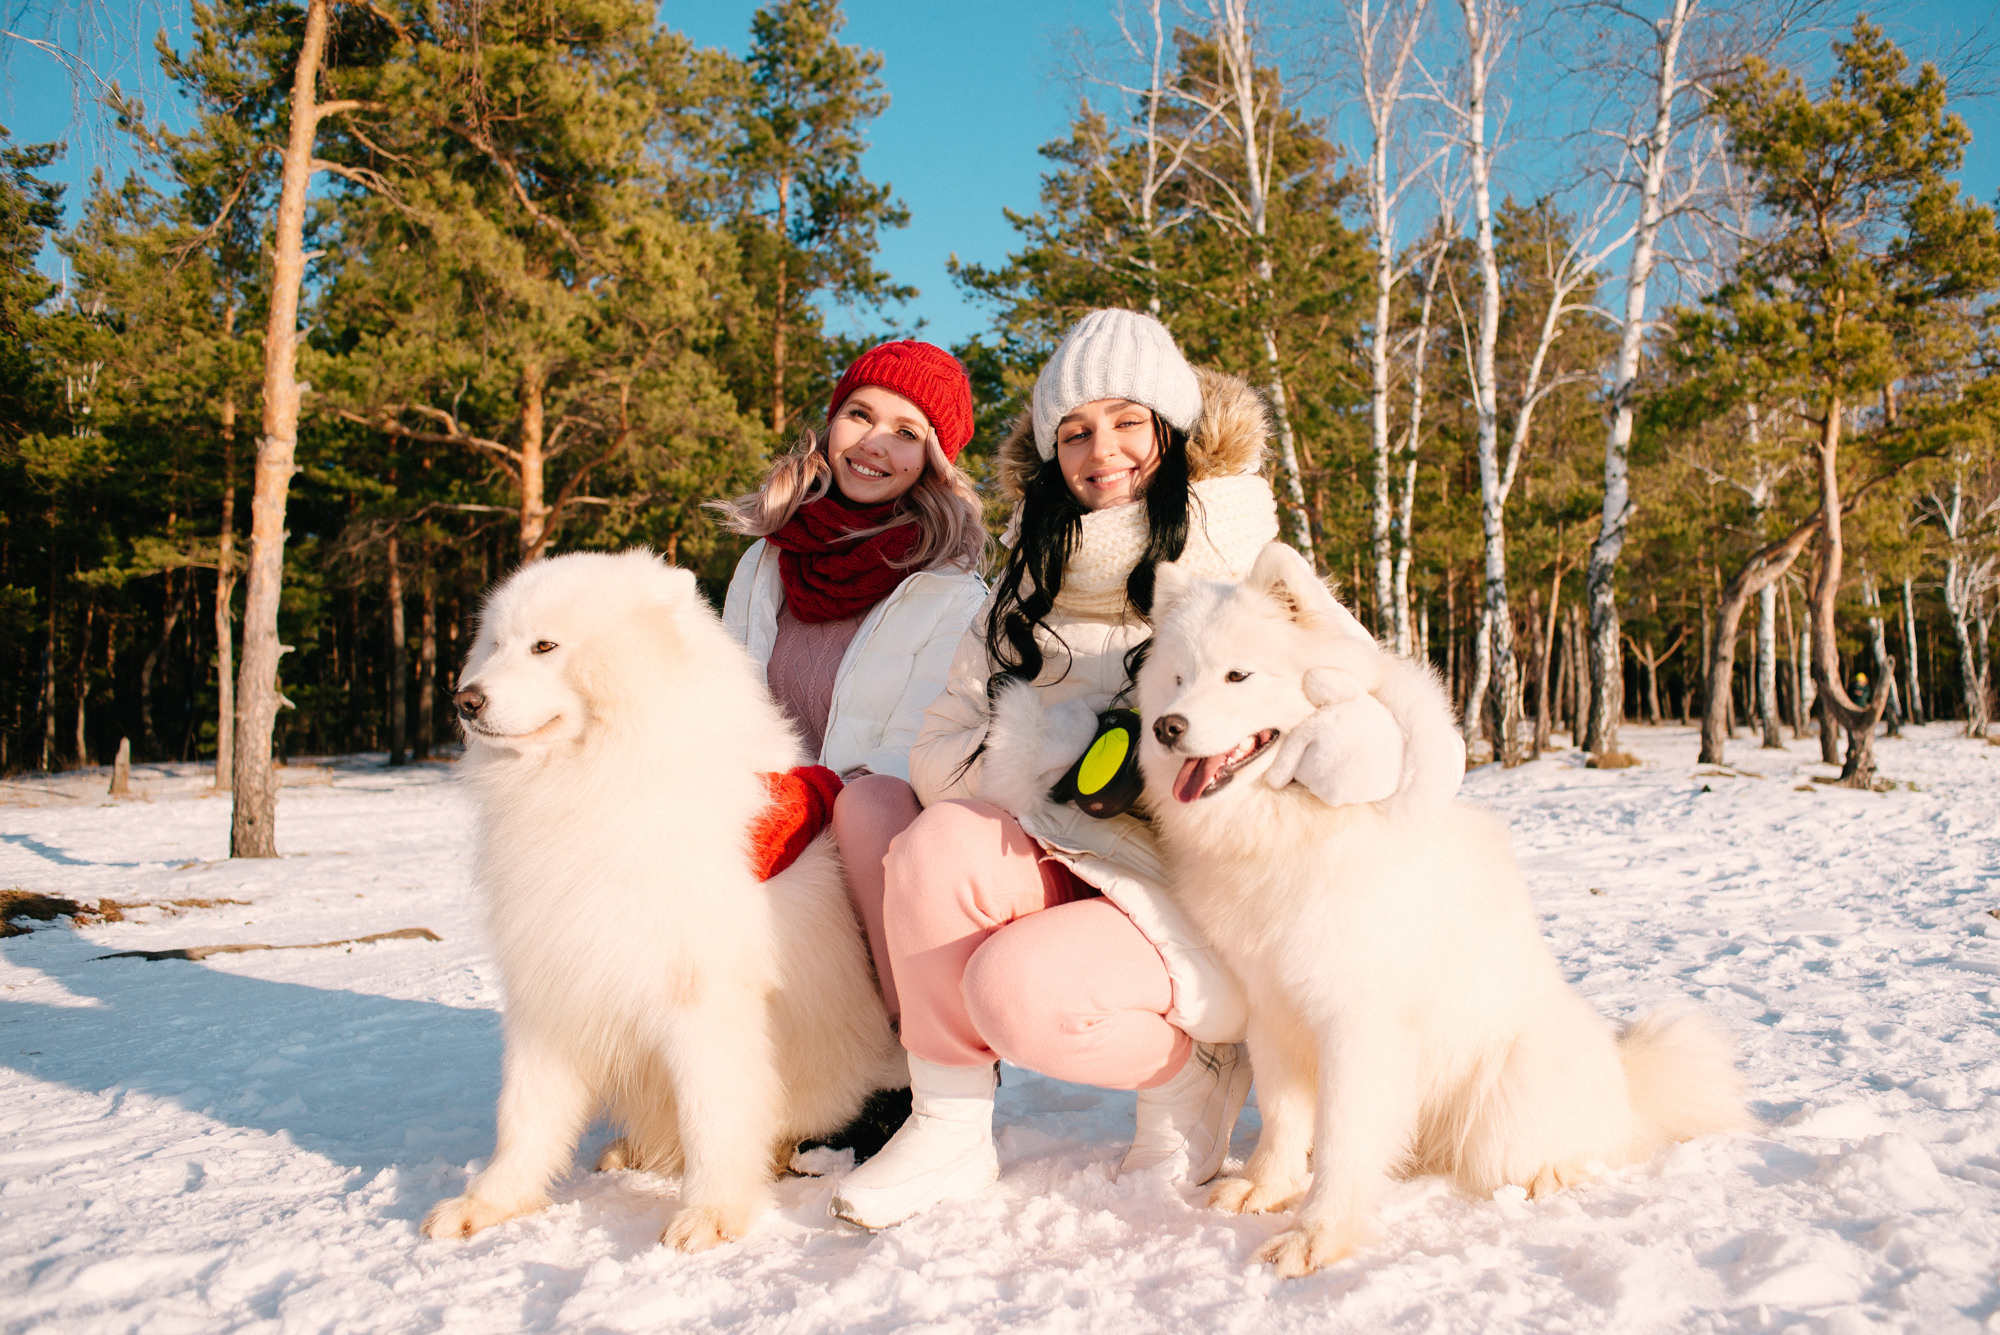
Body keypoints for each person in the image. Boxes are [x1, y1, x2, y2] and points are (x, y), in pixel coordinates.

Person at [828, 310, 1293, 1229]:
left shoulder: (1245, 566)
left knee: (1016, 991)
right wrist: (1051, 751)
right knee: (935, 839)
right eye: (1073, 431)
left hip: (1193, 890)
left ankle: (1195, 1071)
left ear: (1172, 430)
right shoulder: (1026, 582)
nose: (1100, 450)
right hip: (1059, 848)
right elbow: (940, 744)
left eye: (1126, 421)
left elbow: (1323, 726)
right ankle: (948, 1125)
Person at [715, 340, 988, 1031]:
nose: (874, 443)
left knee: (871, 804)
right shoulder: (765, 562)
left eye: (907, 432)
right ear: (832, 421)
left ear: (933, 460)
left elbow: (915, 748)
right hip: (762, 809)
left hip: (875, 833)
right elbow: (724, 701)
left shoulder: (952, 594)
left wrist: (813, 799)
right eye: (860, 414)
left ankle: (918, 1046)